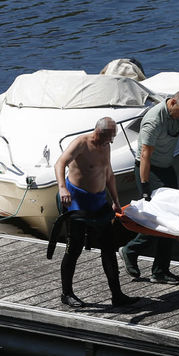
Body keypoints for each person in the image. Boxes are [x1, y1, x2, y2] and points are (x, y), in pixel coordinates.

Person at [51, 117, 138, 308]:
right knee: (74, 248)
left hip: (99, 202)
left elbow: (108, 174)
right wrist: (62, 188)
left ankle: (117, 294)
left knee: (109, 248)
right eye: (109, 137)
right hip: (77, 203)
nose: (111, 142)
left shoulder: (105, 146)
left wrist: (115, 201)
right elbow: (60, 164)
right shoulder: (81, 144)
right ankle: (66, 293)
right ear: (99, 132)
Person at [120, 90, 179, 284]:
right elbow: (145, 154)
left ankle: (160, 271)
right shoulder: (153, 121)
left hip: (166, 168)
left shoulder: (177, 114)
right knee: (162, 219)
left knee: (172, 217)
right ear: (172, 102)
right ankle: (131, 249)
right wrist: (145, 184)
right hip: (149, 170)